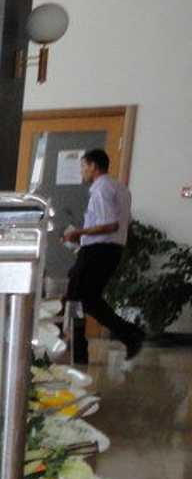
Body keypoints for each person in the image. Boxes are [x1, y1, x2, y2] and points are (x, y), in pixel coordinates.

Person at [61, 148, 144, 362]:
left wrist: (79, 233)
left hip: (97, 251)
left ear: (93, 166)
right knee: (87, 299)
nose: (82, 171)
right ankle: (127, 335)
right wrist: (81, 237)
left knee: (75, 298)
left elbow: (110, 224)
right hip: (110, 250)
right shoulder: (120, 188)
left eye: (83, 166)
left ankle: (81, 350)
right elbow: (120, 224)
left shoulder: (101, 188)